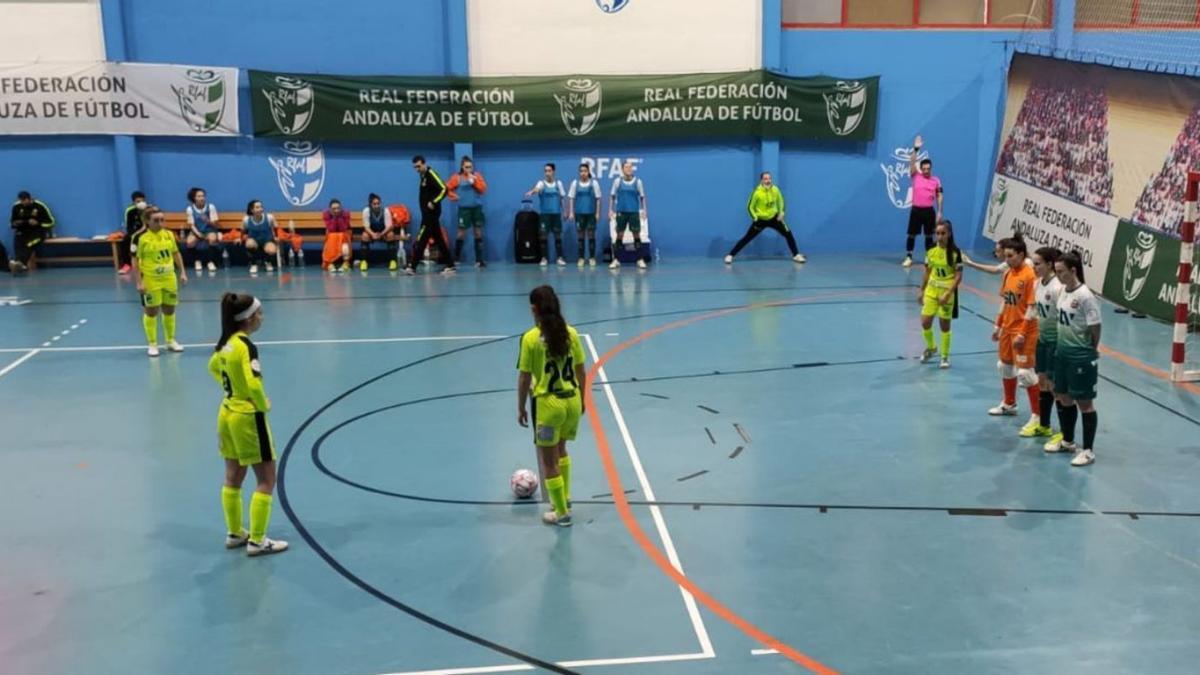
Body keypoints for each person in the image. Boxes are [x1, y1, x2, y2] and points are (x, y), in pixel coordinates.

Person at [208, 292, 289, 555]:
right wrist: (261, 403)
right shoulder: (245, 346)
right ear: (249, 318)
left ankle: (234, 532)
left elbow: (213, 367)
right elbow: (254, 382)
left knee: (233, 476)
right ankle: (257, 540)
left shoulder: (225, 343)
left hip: (226, 413)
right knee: (266, 478)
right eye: (260, 313)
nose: (262, 318)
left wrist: (230, 388)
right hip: (246, 417)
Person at [517, 285, 586, 527]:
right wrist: (584, 399)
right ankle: (564, 498)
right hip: (572, 401)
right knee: (562, 450)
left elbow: (525, 377)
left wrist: (521, 407)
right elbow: (580, 370)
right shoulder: (571, 334)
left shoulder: (531, 338)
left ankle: (561, 513)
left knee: (549, 461)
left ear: (534, 309)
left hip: (549, 405)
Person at [1045, 251, 1102, 466]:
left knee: (1084, 403)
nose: (1058, 276)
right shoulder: (1063, 292)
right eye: (1056, 272)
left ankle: (1088, 450)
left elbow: (1095, 326)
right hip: (1063, 354)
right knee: (1062, 396)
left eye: (1061, 272)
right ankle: (1067, 441)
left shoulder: (1086, 296)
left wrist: (1091, 349)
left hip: (1080, 356)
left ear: (1073, 271)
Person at [990, 235, 1042, 430]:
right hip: (1007, 327)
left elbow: (1032, 306)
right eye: (1006, 256)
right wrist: (998, 325)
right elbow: (1005, 300)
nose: (1007, 259)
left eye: (1010, 256)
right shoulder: (1008, 273)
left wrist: (1022, 332)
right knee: (1004, 366)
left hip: (1025, 330)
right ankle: (1009, 403)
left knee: (1026, 374)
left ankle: (1038, 417)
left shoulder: (1029, 276)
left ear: (1021, 254)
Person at [130, 206, 187, 357]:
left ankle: (170, 341)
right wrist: (139, 282)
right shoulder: (139, 237)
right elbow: (135, 260)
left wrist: (182, 272)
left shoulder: (169, 234)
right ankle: (152, 343)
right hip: (150, 280)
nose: (160, 223)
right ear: (147, 221)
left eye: (162, 220)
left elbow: (175, 253)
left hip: (169, 278)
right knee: (152, 311)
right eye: (156, 220)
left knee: (170, 309)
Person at [723, 172, 805, 265]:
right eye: (765, 179)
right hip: (760, 220)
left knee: (788, 234)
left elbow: (781, 201)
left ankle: (796, 255)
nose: (768, 180)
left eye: (769, 178)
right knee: (747, 238)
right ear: (761, 180)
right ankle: (730, 255)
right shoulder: (757, 192)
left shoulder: (775, 189)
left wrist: (781, 213)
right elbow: (750, 207)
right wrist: (755, 217)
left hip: (774, 218)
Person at [1029, 246, 1064, 440]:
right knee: (1042, 381)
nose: (1034, 267)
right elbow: (1036, 311)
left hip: (1056, 342)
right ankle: (1044, 425)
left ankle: (1062, 432)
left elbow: (1064, 317)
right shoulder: (1038, 284)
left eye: (1038, 264)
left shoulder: (1057, 287)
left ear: (1050, 264)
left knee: (1055, 386)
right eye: (1033, 264)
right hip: (1042, 340)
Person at [917, 219, 961, 369]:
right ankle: (931, 348)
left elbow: (958, 276)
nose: (940, 236)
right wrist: (921, 290)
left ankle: (944, 356)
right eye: (937, 233)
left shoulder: (955, 252)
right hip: (932, 289)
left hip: (946, 291)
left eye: (943, 233)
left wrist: (948, 293)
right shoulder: (930, 250)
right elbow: (927, 272)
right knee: (925, 322)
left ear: (949, 234)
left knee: (944, 325)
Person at [407, 155, 455, 275]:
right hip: (426, 214)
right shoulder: (422, 175)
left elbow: (444, 189)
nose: (417, 169)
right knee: (439, 239)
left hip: (431, 214)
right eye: (415, 167)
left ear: (424, 163)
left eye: (418, 166)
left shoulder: (431, 174)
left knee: (422, 238)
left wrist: (434, 202)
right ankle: (450, 264)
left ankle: (412, 267)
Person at [902, 135, 943, 268]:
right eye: (923, 168)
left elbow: (939, 196)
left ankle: (928, 257)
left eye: (928, 169)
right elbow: (912, 162)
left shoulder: (936, 180)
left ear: (931, 168)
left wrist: (939, 212)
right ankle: (909, 257)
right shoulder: (915, 176)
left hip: (929, 211)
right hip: (916, 210)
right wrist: (916, 149)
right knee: (912, 235)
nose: (925, 170)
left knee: (929, 235)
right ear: (921, 168)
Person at [446, 156, 488, 267]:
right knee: (461, 234)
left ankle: (479, 260)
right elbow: (446, 189)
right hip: (464, 209)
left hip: (476, 209)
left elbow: (483, 189)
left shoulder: (477, 176)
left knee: (478, 233)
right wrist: (453, 196)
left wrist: (474, 182)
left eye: (470, 166)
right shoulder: (456, 177)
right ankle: (456, 259)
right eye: (466, 167)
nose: (469, 169)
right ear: (462, 167)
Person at [525, 163, 568, 267]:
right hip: (544, 215)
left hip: (556, 214)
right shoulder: (541, 183)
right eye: (545, 171)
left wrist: (565, 211)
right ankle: (544, 258)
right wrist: (532, 192)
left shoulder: (558, 184)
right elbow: (537, 189)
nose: (547, 173)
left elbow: (562, 198)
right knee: (543, 236)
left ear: (553, 171)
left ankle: (560, 258)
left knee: (557, 236)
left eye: (549, 170)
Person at [609, 161, 648, 269]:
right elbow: (612, 196)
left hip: (634, 212)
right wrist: (610, 210)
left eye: (630, 167)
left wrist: (644, 210)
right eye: (626, 167)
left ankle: (640, 259)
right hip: (621, 212)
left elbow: (642, 197)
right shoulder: (617, 181)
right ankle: (616, 260)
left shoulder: (638, 182)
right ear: (622, 169)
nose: (629, 169)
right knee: (619, 235)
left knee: (637, 235)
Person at [9, 191, 55, 274]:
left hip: (38, 231)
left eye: (24, 200)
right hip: (22, 230)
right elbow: (12, 223)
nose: (23, 202)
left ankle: (20, 264)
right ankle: (19, 265)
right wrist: (17, 223)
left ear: (29, 199)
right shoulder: (16, 206)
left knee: (29, 244)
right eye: (21, 200)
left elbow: (51, 222)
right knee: (18, 243)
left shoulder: (40, 206)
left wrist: (38, 223)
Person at [567, 162, 601, 268]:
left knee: (591, 236)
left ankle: (591, 258)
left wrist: (597, 213)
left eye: (585, 171)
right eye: (581, 171)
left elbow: (598, 199)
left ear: (588, 172)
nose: (583, 173)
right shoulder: (575, 183)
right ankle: (581, 258)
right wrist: (571, 212)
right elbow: (571, 198)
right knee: (580, 236)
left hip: (591, 214)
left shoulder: (594, 183)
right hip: (579, 214)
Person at [359, 193, 401, 271]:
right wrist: (373, 234)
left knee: (391, 235)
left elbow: (389, 226)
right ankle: (363, 261)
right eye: (374, 204)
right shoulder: (366, 211)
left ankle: (393, 261)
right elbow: (366, 227)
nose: (377, 205)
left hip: (383, 232)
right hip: (372, 232)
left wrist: (381, 234)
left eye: (378, 203)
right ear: (370, 204)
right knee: (364, 236)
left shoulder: (386, 211)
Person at [185, 187, 222, 273]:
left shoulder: (211, 207)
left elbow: (215, 224)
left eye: (203, 196)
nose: (202, 198)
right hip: (196, 231)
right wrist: (198, 234)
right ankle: (197, 261)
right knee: (190, 242)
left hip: (209, 230)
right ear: (194, 198)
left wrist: (207, 221)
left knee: (212, 238)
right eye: (199, 196)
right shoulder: (190, 209)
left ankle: (210, 261)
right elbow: (191, 225)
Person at [242, 200, 279, 276]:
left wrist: (276, 237)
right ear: (252, 210)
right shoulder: (246, 219)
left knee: (272, 250)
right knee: (249, 244)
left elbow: (275, 228)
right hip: (254, 241)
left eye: (261, 207)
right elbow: (243, 231)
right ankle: (253, 264)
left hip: (267, 240)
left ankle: (268, 262)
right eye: (257, 207)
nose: (260, 209)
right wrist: (241, 237)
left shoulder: (269, 217)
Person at [117, 191, 148, 275]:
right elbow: (129, 226)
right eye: (138, 201)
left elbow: (150, 224)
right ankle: (127, 265)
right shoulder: (129, 210)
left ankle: (146, 265)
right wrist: (134, 234)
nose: (141, 203)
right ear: (134, 202)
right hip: (134, 231)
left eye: (142, 201)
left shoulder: (149, 209)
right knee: (125, 240)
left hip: (147, 231)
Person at [321, 198, 352, 273]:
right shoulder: (326, 214)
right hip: (332, 235)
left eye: (338, 208)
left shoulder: (346, 213)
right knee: (331, 237)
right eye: (334, 209)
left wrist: (339, 217)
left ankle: (346, 263)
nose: (336, 210)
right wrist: (334, 217)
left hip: (344, 234)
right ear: (330, 209)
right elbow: (331, 229)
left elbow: (344, 228)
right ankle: (330, 263)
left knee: (343, 241)